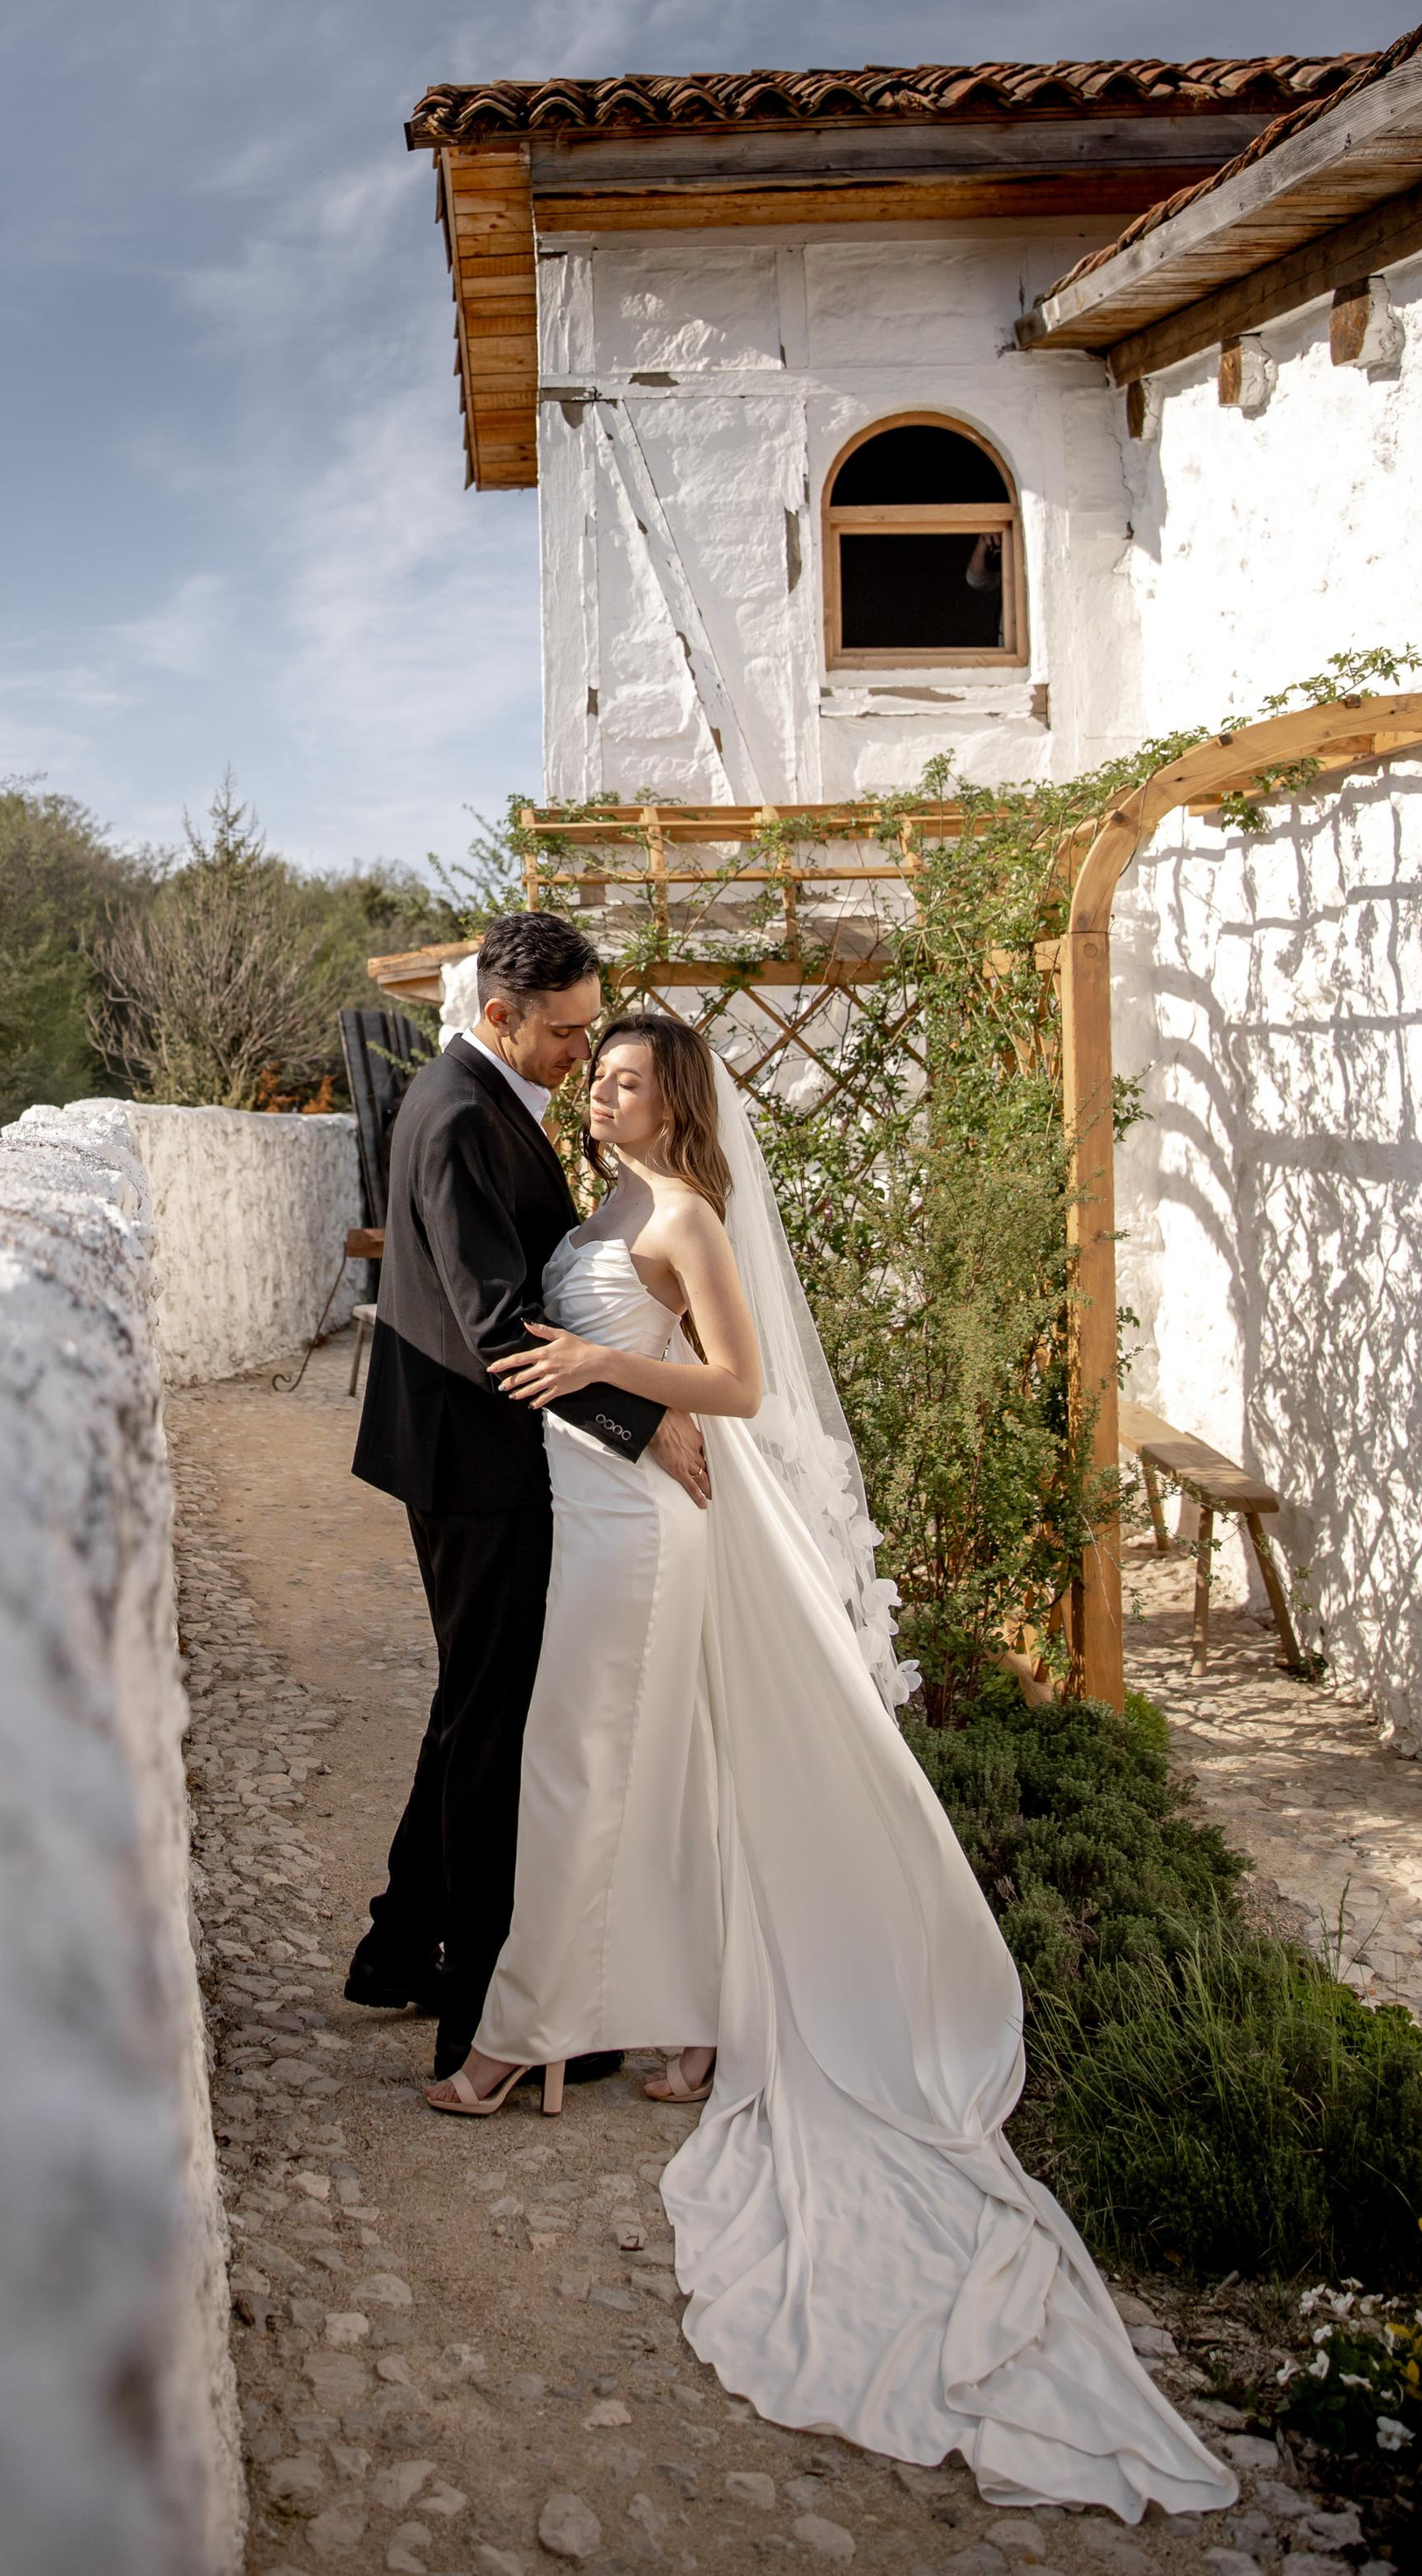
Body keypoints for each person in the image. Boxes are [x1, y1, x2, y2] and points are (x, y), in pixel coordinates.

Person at [427, 1003, 1237, 2526]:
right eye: (596, 1077)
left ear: (681, 1107)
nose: (605, 1098)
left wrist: (617, 1369)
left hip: (642, 1538)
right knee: (637, 1776)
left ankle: (512, 2039)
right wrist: (614, 1392)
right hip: (591, 1507)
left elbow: (734, 1386)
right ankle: (683, 2027)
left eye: (632, 1084)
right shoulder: (600, 1197)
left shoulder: (682, 1218)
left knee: (575, 1773)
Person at [346, 913, 705, 2088]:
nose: (579, 1049)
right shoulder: (456, 1116)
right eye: (563, 1031)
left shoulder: (489, 1098)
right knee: (495, 1728)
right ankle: (477, 2014)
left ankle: (402, 1947)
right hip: (477, 1461)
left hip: (474, 1453)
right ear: (498, 1017)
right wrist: (643, 1424)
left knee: (470, 1702)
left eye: (589, 1025)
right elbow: (503, 1336)